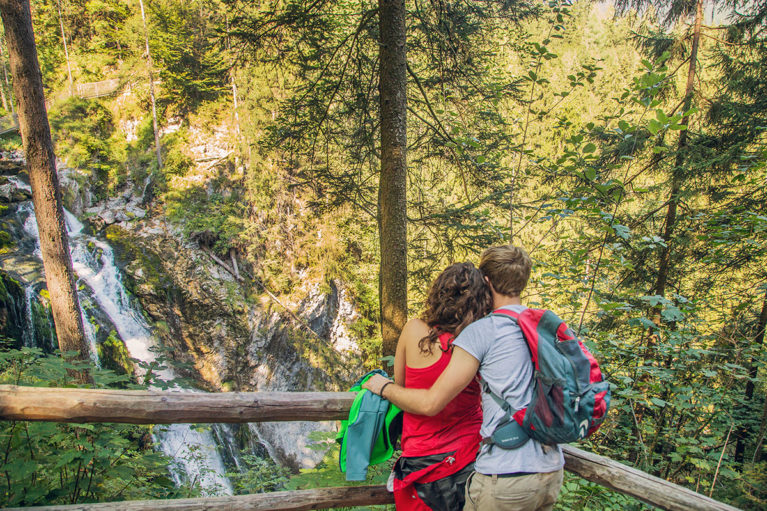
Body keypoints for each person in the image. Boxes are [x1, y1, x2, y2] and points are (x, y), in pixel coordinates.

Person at [364, 245, 564, 511]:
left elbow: (419, 397)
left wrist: (384, 387)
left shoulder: (474, 336)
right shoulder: (534, 325)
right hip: (511, 461)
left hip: (460, 464)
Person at [388, 262, 491, 510]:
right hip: (471, 458)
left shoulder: (413, 330)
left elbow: (399, 388)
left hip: (420, 459)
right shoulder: (477, 340)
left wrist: (382, 388)